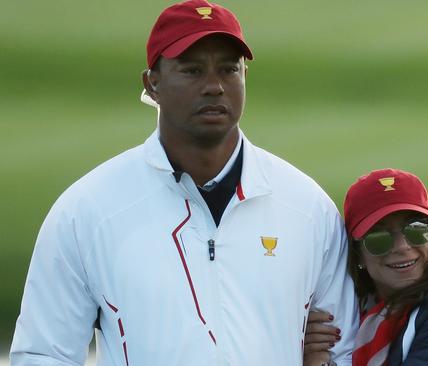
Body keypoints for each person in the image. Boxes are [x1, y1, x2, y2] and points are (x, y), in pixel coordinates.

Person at [10, 1, 358, 365]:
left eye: (228, 70)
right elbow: (43, 353)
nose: (214, 86)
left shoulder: (306, 207)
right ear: (152, 83)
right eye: (192, 71)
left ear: (245, 77)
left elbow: (347, 349)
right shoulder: (87, 210)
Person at [304, 169, 428, 365]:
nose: (402, 246)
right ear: (358, 254)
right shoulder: (360, 311)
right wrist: (300, 341)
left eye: (416, 229)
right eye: (379, 238)